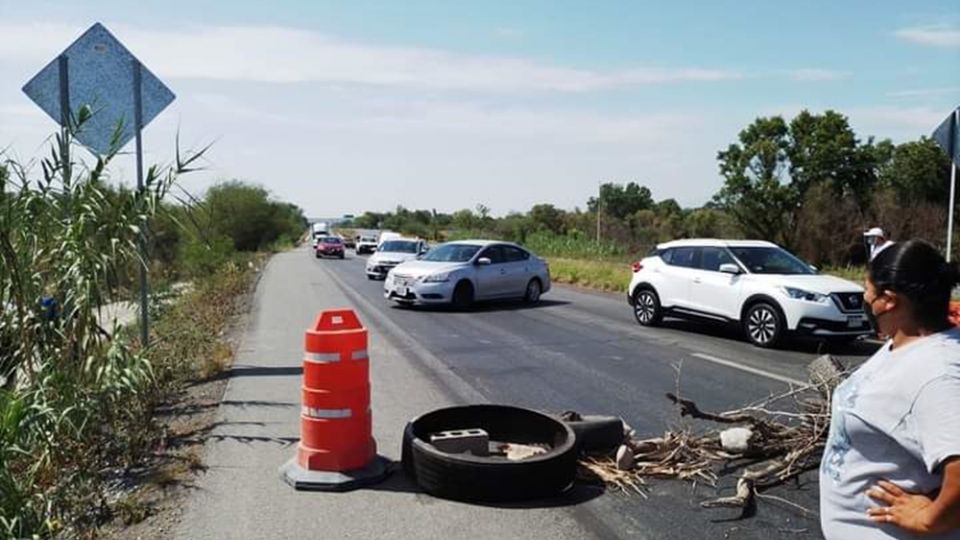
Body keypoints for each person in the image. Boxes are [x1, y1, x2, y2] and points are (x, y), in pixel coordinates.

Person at [820, 240, 960, 539]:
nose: (865, 301)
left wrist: (929, 520)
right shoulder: (906, 341)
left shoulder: (937, 375)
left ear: (889, 300)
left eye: (867, 294)